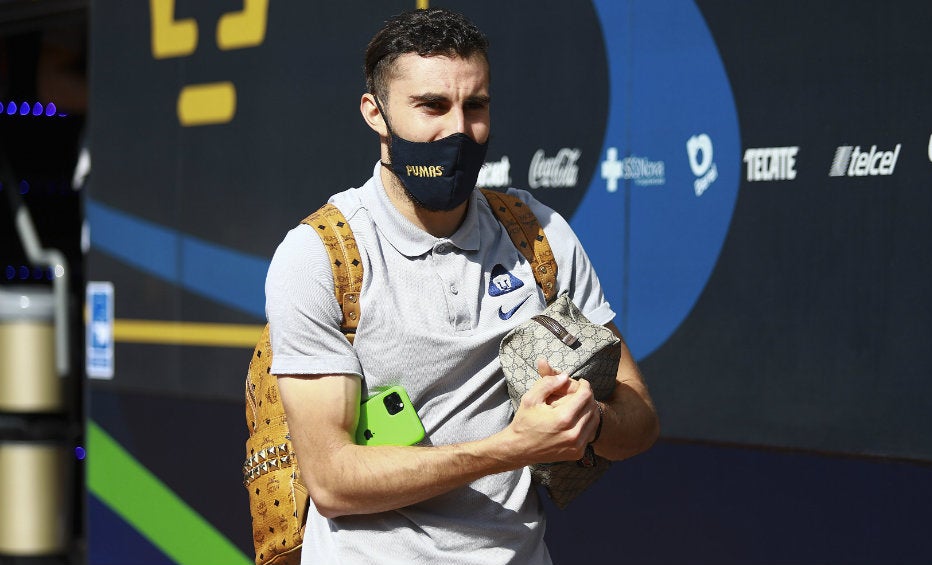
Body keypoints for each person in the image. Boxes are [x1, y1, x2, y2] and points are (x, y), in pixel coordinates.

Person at [265, 7, 659, 564]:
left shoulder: (538, 234)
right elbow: (332, 480)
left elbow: (639, 418)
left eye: (475, 106)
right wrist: (512, 448)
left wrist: (590, 420)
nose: (457, 129)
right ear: (375, 114)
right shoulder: (319, 256)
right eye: (431, 106)